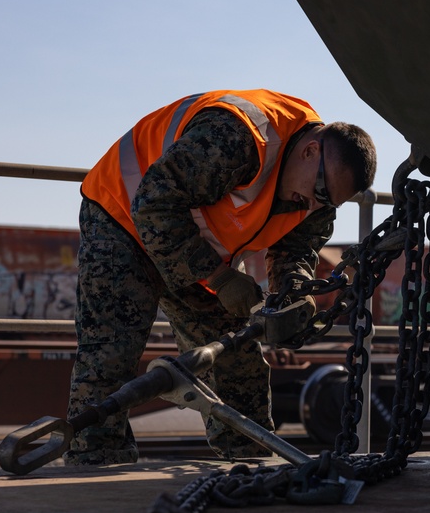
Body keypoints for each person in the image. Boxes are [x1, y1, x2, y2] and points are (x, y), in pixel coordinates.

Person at [64, 89, 376, 465]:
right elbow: (155, 203)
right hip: (122, 217)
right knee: (110, 353)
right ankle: (96, 465)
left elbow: (295, 251)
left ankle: (250, 464)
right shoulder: (238, 137)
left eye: (329, 203)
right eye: (320, 192)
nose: (314, 205)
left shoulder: (317, 197)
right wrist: (221, 279)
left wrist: (293, 292)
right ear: (310, 151)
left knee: (237, 362)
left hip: (196, 245)